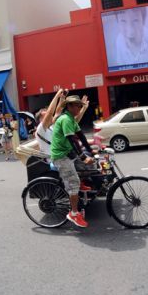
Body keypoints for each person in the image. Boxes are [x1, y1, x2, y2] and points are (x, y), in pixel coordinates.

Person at [50, 95, 95, 228]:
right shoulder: (65, 119)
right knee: (73, 183)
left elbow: (81, 136)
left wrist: (91, 151)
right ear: (69, 106)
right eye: (77, 105)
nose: (79, 108)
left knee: (87, 166)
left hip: (68, 153)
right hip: (61, 156)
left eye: (80, 105)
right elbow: (72, 140)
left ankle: (78, 184)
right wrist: (83, 156)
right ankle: (74, 213)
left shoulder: (72, 120)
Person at [36, 89, 89, 157]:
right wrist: (57, 95)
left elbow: (60, 112)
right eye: (45, 116)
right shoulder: (40, 130)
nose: (50, 117)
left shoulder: (52, 127)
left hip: (66, 156)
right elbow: (50, 112)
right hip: (55, 161)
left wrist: (62, 97)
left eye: (49, 116)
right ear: (40, 120)